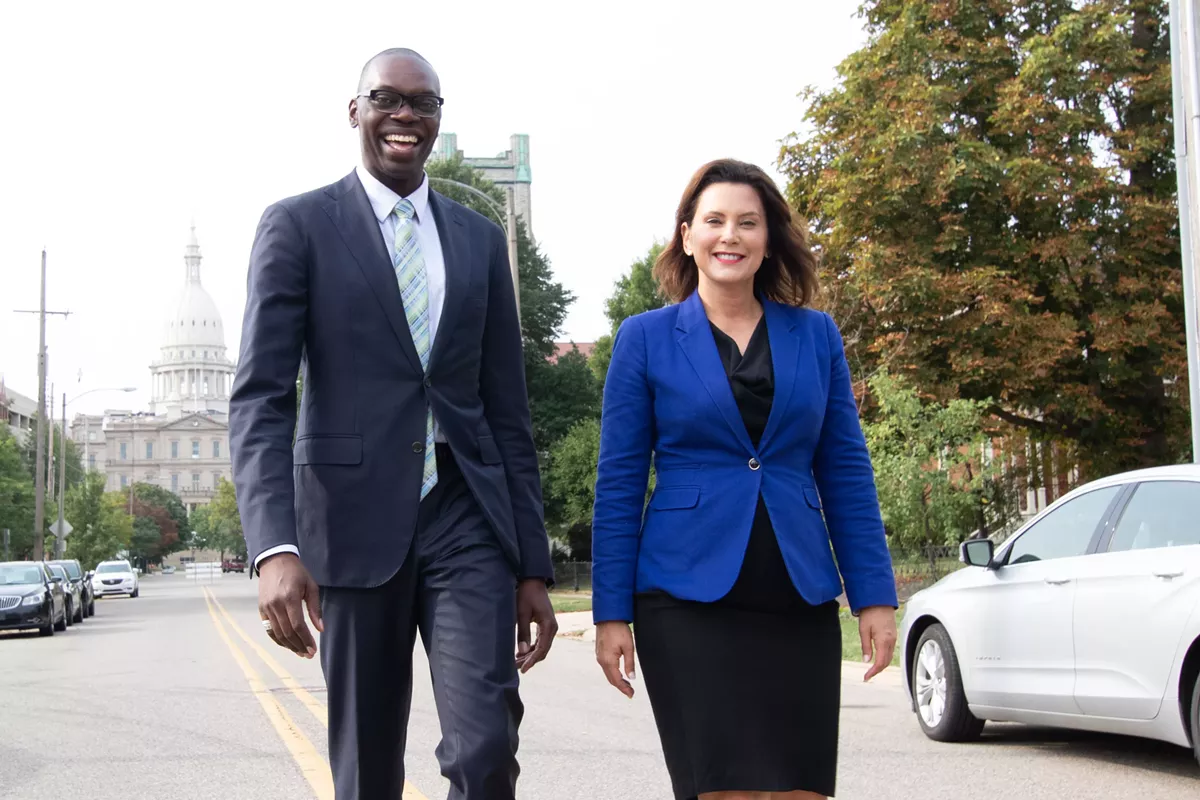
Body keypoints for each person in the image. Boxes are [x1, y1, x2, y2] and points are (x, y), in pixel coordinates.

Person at [228, 47, 557, 800]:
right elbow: (261, 397)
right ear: (356, 111)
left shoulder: (478, 238)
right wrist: (274, 546)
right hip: (348, 525)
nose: (406, 116)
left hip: (466, 518)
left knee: (485, 751)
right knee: (367, 767)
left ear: (439, 119)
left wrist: (532, 564)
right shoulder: (298, 226)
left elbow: (508, 411)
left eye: (424, 104)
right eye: (388, 98)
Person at [590, 158, 899, 800]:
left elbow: (845, 469)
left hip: (798, 594)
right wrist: (610, 613)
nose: (730, 235)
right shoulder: (643, 339)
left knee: (799, 790)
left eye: (747, 223)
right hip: (685, 598)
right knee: (724, 790)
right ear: (686, 235)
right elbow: (619, 483)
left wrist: (874, 595)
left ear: (768, 239)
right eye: (715, 221)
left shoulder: (815, 336)